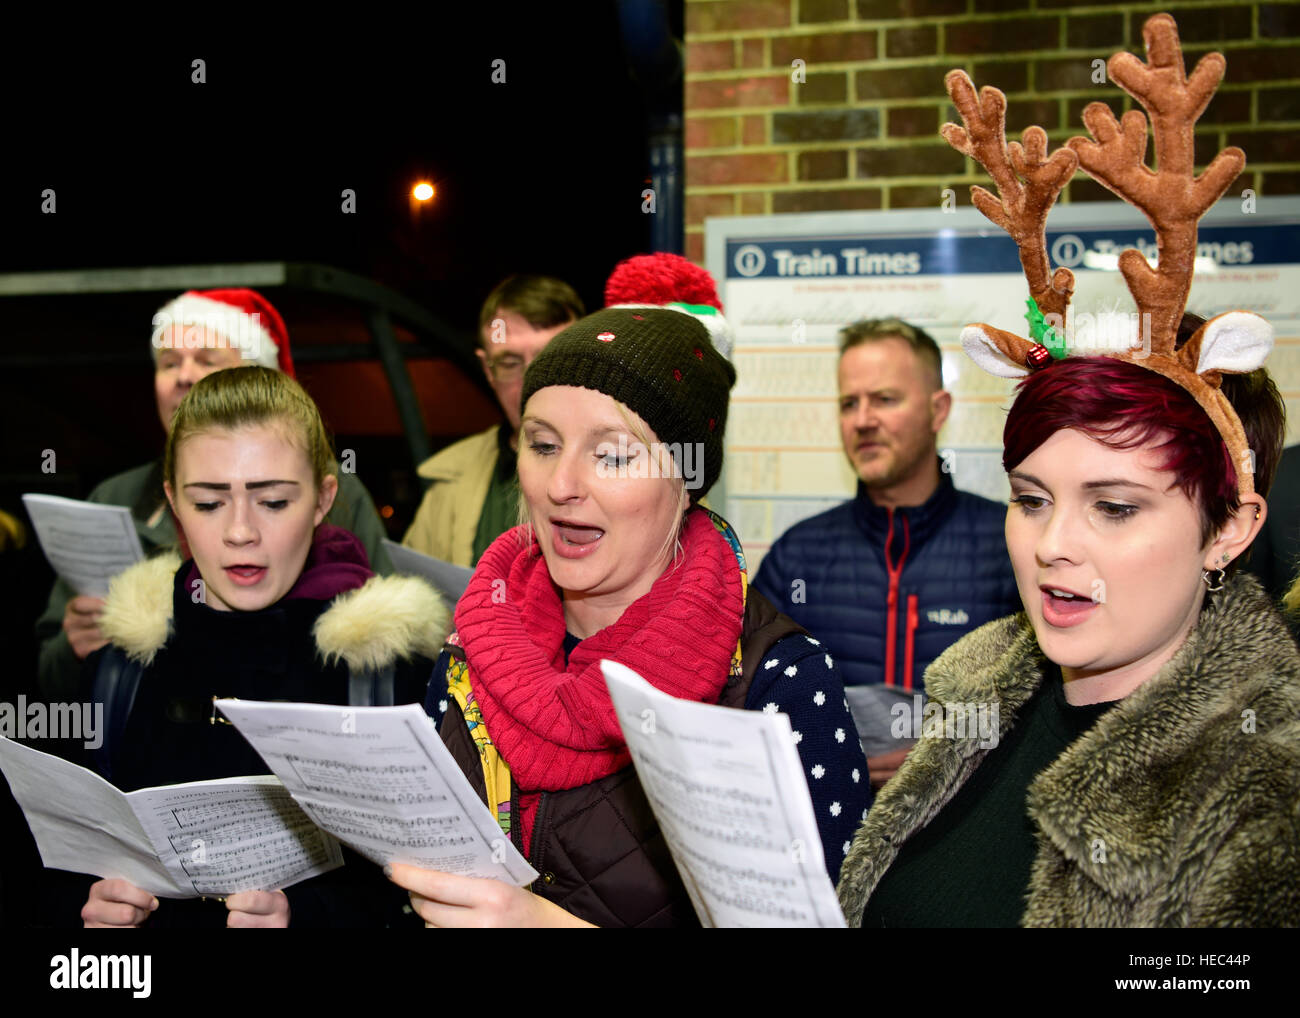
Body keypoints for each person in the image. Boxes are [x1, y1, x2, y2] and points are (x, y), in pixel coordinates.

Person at [841, 22, 1300, 926]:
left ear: (1231, 528)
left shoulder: (1267, 781)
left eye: (1117, 508)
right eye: (1030, 500)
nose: (1053, 547)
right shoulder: (974, 698)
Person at [388, 306, 872, 927]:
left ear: (686, 477)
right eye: (541, 445)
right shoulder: (477, 640)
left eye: (612, 455)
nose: (560, 484)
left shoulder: (777, 681)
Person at [76, 366, 448, 927]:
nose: (240, 531)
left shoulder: (389, 675)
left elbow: (432, 900)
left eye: (272, 501)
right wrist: (89, 912)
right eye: (208, 503)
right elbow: (59, 861)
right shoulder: (123, 667)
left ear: (324, 498)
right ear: (174, 502)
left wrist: (311, 918)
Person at [34, 288, 394, 702]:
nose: (240, 531)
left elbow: (385, 645)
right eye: (169, 362)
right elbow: (51, 679)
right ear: (174, 499)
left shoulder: (339, 495)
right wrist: (76, 652)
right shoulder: (113, 496)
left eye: (207, 360)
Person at [752, 318, 1020, 787]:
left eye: (885, 400)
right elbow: (748, 707)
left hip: (969, 833)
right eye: (848, 403)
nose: (862, 420)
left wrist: (956, 753)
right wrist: (827, 755)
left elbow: (1051, 706)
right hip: (837, 839)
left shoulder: (1010, 544)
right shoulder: (796, 556)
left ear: (938, 411)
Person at [402, 275, 584, 566]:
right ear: (488, 370)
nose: (530, 380)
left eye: (550, 358)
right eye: (510, 363)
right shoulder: (450, 482)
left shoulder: (628, 466)